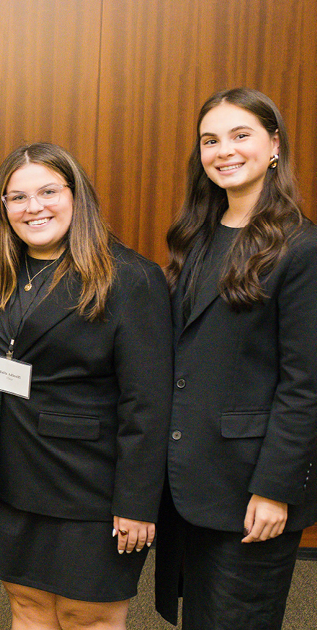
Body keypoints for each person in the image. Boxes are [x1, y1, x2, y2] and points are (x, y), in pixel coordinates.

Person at [0, 142, 171, 629]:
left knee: (88, 616)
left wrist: (138, 502)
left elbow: (148, 402)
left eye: (48, 191)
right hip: (13, 474)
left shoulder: (129, 278)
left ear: (77, 196)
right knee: (27, 607)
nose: (33, 207)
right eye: (17, 198)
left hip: (90, 487)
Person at [154, 88, 317, 630]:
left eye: (240, 135)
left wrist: (274, 489)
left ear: (274, 144)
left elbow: (305, 385)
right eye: (210, 139)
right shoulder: (198, 236)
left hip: (251, 490)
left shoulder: (301, 248)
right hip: (192, 481)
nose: (223, 150)